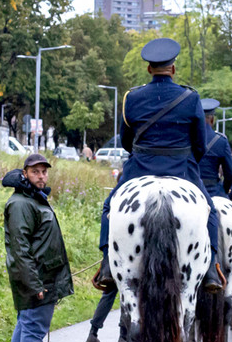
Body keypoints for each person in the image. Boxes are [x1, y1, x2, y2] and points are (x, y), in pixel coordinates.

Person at [94, 37, 223, 291]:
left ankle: (108, 265)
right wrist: (187, 161)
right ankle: (210, 269)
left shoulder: (132, 97)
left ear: (149, 69)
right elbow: (199, 143)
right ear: (173, 69)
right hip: (182, 168)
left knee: (109, 207)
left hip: (139, 167)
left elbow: (126, 141)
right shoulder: (190, 97)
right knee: (210, 209)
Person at [3, 153, 73, 342]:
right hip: (37, 280)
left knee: (24, 325)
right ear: (25, 174)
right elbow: (20, 250)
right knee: (33, 329)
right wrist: (35, 285)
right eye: (36, 172)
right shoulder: (22, 204)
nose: (41, 176)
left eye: (44, 171)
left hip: (39, 277)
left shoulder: (33, 199)